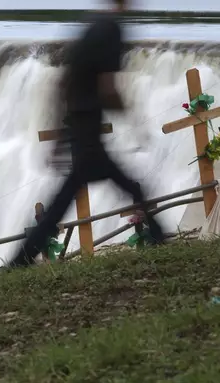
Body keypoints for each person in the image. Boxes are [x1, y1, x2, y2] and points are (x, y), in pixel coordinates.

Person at [10, 0, 165, 267]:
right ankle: (19, 260)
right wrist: (133, 118)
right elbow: (107, 88)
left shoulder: (91, 27)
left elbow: (62, 83)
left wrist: (60, 136)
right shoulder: (112, 30)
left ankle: (20, 260)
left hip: (78, 125)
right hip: (88, 129)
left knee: (91, 193)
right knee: (122, 187)